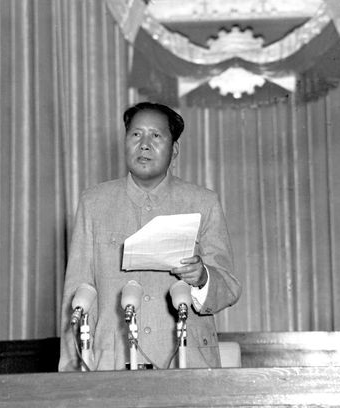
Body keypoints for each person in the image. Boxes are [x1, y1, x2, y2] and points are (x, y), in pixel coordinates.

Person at [58, 102, 241, 371]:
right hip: (113, 365)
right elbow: (77, 294)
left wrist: (203, 277)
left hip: (187, 364)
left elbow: (229, 287)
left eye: (155, 136)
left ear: (174, 149)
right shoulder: (94, 203)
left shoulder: (203, 202)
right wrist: (71, 375)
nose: (144, 145)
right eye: (136, 134)